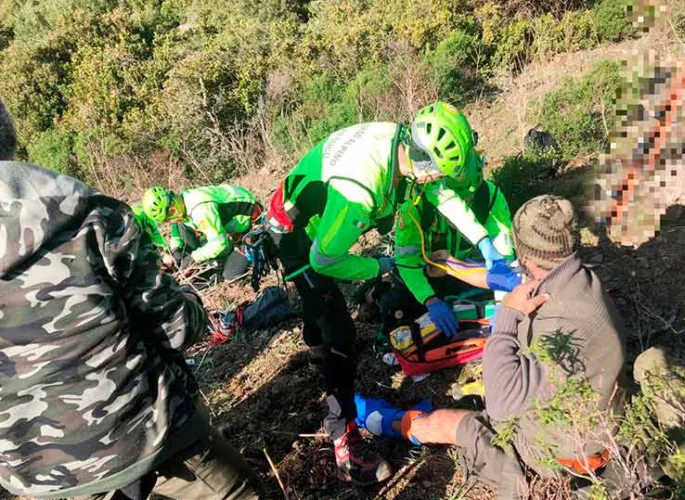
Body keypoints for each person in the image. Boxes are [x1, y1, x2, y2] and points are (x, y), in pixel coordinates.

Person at [0, 99, 266, 499]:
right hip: (152, 438)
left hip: (42, 479)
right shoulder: (85, 211)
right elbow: (178, 327)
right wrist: (189, 298)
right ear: (9, 132)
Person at [261, 101, 503, 485]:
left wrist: (483, 240)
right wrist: (378, 267)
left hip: (323, 218)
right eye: (436, 173)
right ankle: (344, 439)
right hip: (298, 235)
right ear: (423, 160)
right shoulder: (362, 188)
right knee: (339, 331)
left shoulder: (403, 144)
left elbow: (443, 195)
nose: (436, 182)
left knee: (319, 315)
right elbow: (324, 258)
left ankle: (315, 347)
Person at [355, 195, 627, 499]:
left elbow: (500, 406)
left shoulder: (556, 326)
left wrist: (508, 318)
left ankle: (381, 421)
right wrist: (447, 264)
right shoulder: (582, 280)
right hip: (601, 418)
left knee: (447, 423)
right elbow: (500, 278)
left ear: (524, 256)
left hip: (562, 452)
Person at [381, 148, 514, 342]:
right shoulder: (415, 206)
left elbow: (504, 253)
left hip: (465, 269)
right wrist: (430, 299)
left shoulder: (488, 196)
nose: (466, 204)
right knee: (396, 305)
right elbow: (407, 261)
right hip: (426, 274)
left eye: (469, 198)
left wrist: (504, 302)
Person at [141, 184, 261, 281]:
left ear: (172, 210)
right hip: (227, 226)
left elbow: (220, 243)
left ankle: (217, 264)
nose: (168, 222)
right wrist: (175, 250)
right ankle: (188, 263)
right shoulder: (181, 202)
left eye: (167, 219)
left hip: (249, 224)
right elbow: (176, 229)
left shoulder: (200, 210)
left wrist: (194, 258)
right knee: (181, 224)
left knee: (230, 274)